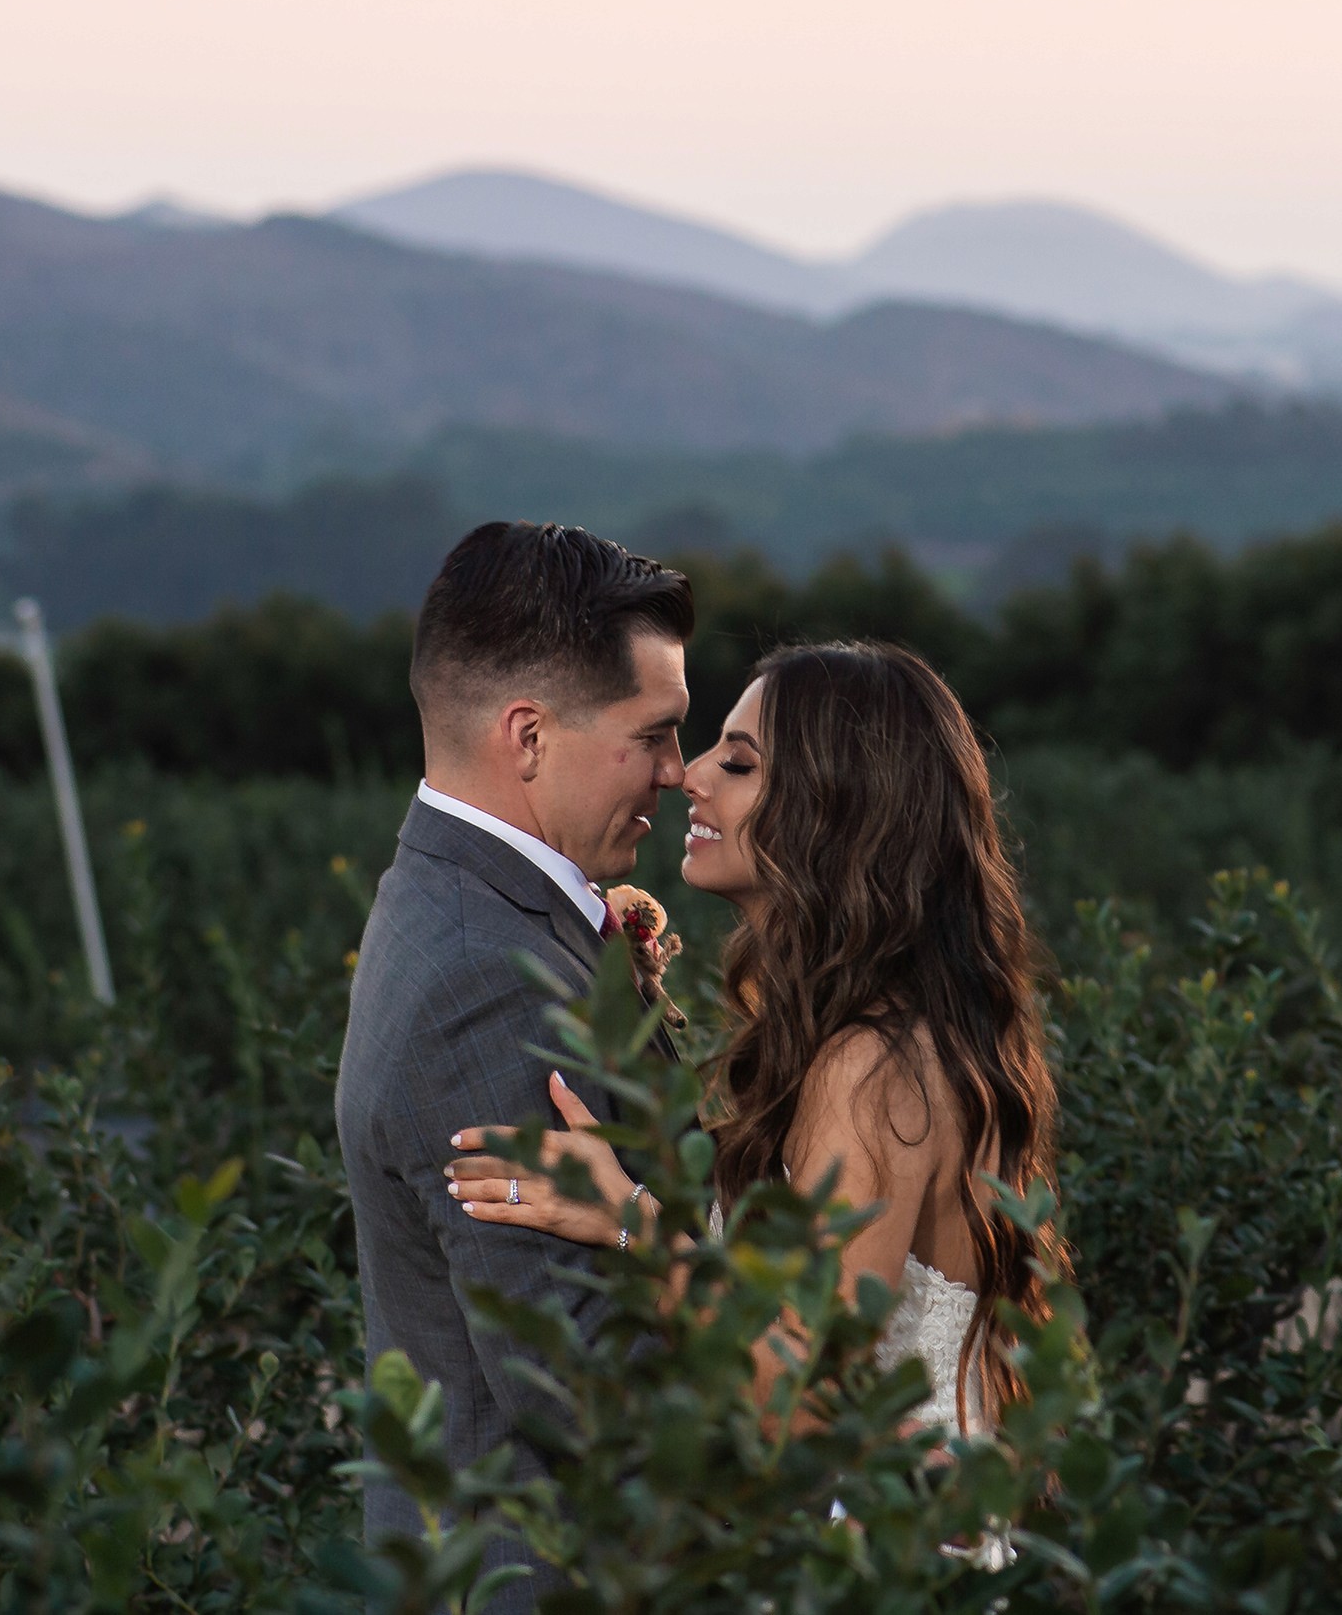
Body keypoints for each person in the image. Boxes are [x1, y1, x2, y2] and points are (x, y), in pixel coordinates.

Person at [444, 639, 1068, 1439]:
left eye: (737, 766)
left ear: (840, 810)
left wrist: (628, 1216)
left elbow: (806, 1391)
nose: (688, 775)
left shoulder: (872, 1067)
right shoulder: (864, 1037)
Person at [333, 521, 693, 1599]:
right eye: (657, 733)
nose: (677, 773)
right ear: (528, 736)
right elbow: (582, 1392)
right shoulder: (486, 977)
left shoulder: (457, 901)